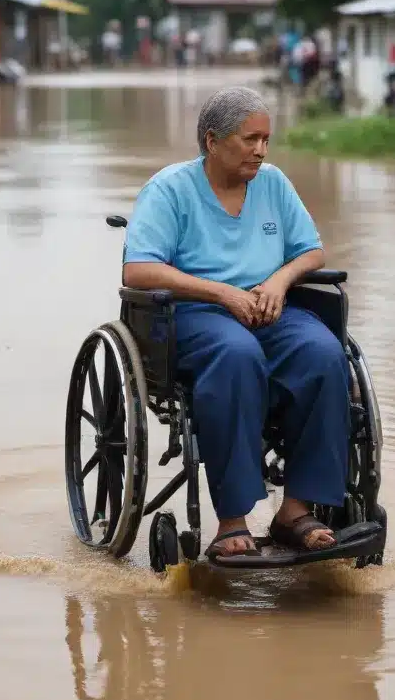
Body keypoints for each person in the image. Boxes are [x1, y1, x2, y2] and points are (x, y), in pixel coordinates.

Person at [121, 86, 349, 560]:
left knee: (325, 354)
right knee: (237, 356)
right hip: (195, 313)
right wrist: (222, 293)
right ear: (212, 140)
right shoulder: (170, 189)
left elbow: (311, 251)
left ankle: (295, 511)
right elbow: (138, 269)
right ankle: (233, 521)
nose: (261, 151)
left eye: (266, 140)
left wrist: (280, 282)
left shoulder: (273, 184)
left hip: (267, 306)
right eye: (250, 140)